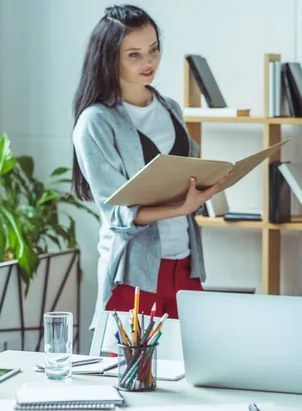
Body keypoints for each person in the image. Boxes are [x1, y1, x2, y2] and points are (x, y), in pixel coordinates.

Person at [71, 5, 228, 328]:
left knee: (191, 370)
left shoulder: (169, 108)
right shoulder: (96, 122)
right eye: (134, 55)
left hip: (185, 264)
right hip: (135, 272)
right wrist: (181, 206)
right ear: (109, 57)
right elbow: (118, 212)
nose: (149, 62)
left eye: (154, 50)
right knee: (132, 373)